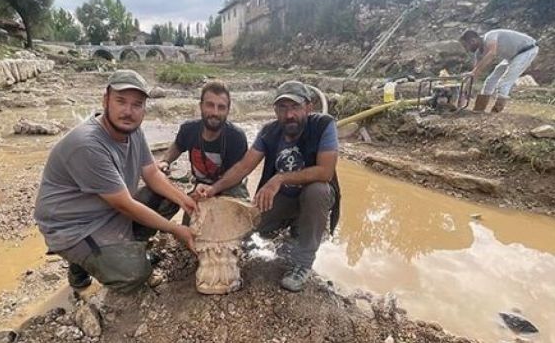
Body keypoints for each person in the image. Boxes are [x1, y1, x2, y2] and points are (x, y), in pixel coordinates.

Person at [34, 69, 198, 292]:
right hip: (76, 226)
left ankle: (123, 249)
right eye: (121, 101)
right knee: (136, 273)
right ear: (105, 100)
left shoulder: (134, 132)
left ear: (143, 109)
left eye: (137, 104)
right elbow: (124, 205)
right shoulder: (88, 144)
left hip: (108, 210)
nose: (128, 112)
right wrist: (176, 230)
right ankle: (81, 264)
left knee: (166, 196)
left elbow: (151, 173)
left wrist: (184, 200)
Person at [197, 80, 341, 292]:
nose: (289, 115)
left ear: (309, 107)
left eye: (295, 107)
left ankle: (302, 262)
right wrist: (213, 189)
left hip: (312, 199)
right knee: (251, 232)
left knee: (317, 190)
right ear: (275, 110)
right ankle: (291, 228)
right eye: (282, 108)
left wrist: (279, 178)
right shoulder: (269, 132)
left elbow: (325, 172)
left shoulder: (323, 125)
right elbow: (243, 167)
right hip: (283, 199)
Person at [157, 81, 248, 200]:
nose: (215, 112)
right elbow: (177, 147)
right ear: (201, 106)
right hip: (199, 185)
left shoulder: (236, 137)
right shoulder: (188, 129)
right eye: (210, 105)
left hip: (228, 186)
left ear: (228, 110)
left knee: (241, 214)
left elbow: (238, 173)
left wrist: (213, 189)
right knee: (161, 193)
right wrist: (165, 161)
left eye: (221, 107)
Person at [459, 29, 539, 113]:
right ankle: (479, 110)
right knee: (490, 81)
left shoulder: (489, 36)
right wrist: (464, 92)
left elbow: (492, 53)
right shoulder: (479, 53)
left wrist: (474, 71)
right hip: (511, 56)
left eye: (466, 46)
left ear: (473, 41)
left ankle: (496, 111)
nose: (466, 49)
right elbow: (475, 73)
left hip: (527, 50)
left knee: (504, 82)